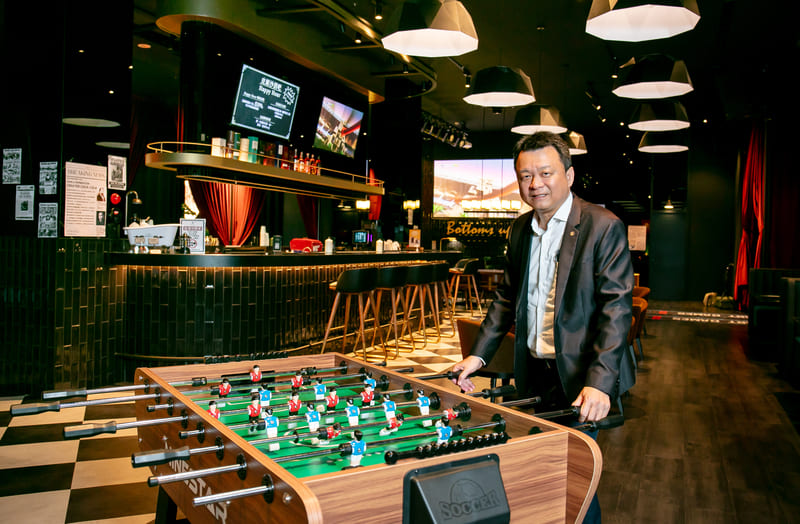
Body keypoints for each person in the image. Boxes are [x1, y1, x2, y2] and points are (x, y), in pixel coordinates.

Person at [450, 131, 634, 524]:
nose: (535, 184)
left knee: (573, 480)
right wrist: (477, 356)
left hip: (582, 378)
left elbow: (616, 310)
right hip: (534, 373)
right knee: (540, 474)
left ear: (569, 174)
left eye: (546, 173)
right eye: (525, 176)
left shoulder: (603, 225)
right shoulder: (519, 229)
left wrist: (600, 383)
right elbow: (506, 298)